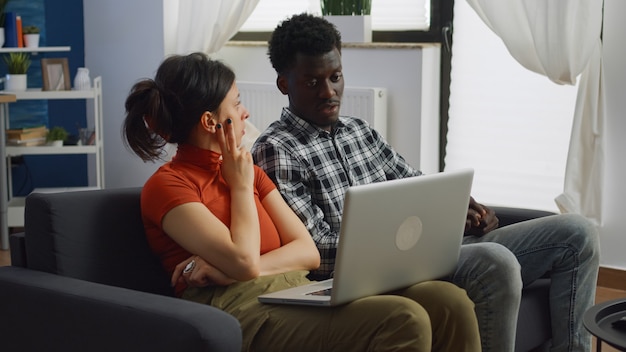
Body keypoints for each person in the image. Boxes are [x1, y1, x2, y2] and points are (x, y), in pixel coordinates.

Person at [250, 13, 601, 352]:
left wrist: (462, 211)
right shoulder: (276, 149)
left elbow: (416, 186)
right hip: (377, 276)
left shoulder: (359, 130)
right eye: (313, 82)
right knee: (497, 261)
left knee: (577, 233)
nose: (329, 92)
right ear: (285, 84)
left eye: (336, 77)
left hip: (425, 252)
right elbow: (315, 252)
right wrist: (393, 238)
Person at [123, 52, 481, 351]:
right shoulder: (168, 186)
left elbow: (306, 252)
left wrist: (231, 267)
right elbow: (244, 261)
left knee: (449, 302)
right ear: (210, 122)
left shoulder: (250, 173)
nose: (245, 113)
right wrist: (240, 190)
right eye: (237, 103)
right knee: (405, 317)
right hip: (236, 310)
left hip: (299, 290)